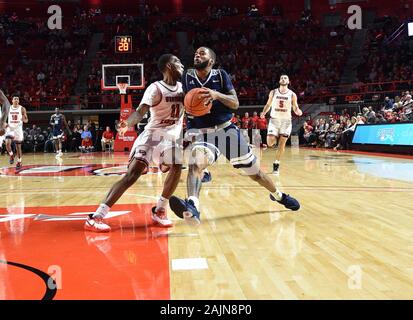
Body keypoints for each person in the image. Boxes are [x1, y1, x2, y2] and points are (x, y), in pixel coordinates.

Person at [169, 47, 300, 226]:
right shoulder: (187, 77)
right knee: (195, 165)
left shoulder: (220, 75)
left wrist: (216, 95)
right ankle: (192, 206)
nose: (197, 55)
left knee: (256, 174)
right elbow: (185, 101)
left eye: (202, 53)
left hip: (226, 131)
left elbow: (235, 103)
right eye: (196, 53)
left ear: (211, 60)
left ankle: (279, 195)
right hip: (203, 133)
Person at [85, 54, 185, 232]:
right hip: (151, 137)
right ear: (169, 66)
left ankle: (160, 210)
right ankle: (97, 216)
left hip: (169, 139)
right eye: (178, 62)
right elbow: (140, 112)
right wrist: (126, 125)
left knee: (177, 163)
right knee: (132, 175)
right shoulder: (155, 88)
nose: (182, 65)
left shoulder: (183, 88)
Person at [262, 75, 302, 175]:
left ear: (288, 81)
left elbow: (295, 107)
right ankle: (275, 142)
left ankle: (276, 163)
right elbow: (268, 104)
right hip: (274, 120)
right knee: (270, 143)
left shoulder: (292, 94)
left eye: (285, 78)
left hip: (286, 121)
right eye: (282, 78)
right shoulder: (273, 92)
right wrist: (263, 112)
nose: (283, 79)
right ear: (279, 80)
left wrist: (298, 111)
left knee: (282, 143)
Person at [3, 94, 28, 169]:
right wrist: (4, 123)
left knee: (18, 147)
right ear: (12, 100)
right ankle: (11, 155)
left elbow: (26, 119)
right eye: (15, 99)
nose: (16, 100)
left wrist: (24, 120)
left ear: (19, 101)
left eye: (17, 99)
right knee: (7, 144)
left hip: (18, 129)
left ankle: (19, 162)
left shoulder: (22, 108)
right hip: (10, 128)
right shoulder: (8, 108)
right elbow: (3, 118)